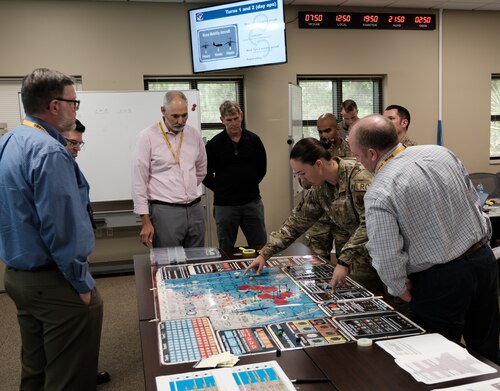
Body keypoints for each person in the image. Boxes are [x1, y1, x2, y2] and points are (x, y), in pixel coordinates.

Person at [349, 114, 500, 363]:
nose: (358, 162)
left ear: (373, 154)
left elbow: (386, 253)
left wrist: (400, 289)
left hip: (440, 280)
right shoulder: (441, 153)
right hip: (483, 261)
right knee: (487, 348)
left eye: (358, 156)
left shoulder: (380, 190)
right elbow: (474, 202)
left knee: (438, 360)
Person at [0, 68, 103, 391]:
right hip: (53, 278)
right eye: (74, 102)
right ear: (54, 105)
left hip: (17, 275)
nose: (76, 109)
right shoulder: (49, 151)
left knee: (36, 366)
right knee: (68, 374)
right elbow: (62, 228)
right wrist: (81, 284)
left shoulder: (9, 141)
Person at [245, 137, 383, 294]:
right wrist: (265, 254)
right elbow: (296, 222)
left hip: (384, 251)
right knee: (363, 296)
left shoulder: (359, 178)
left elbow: (370, 224)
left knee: (395, 303)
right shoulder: (319, 188)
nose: (301, 179)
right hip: (359, 254)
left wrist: (344, 262)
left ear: (319, 164)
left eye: (302, 173)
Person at [62, 119, 111, 385]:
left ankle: (83, 372)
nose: (77, 148)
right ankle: (80, 377)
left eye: (80, 143)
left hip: (77, 254)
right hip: (68, 261)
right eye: (72, 142)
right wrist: (79, 277)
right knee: (86, 311)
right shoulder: (54, 166)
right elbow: (60, 226)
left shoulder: (69, 164)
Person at [132, 90, 207, 248]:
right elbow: (139, 181)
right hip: (165, 211)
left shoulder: (193, 135)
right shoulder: (147, 137)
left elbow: (201, 169)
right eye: (175, 116)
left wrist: (184, 187)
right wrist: (145, 221)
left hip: (195, 209)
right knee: (170, 264)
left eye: (185, 115)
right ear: (163, 111)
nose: (181, 121)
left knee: (198, 262)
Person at [203, 100, 267, 248]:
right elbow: (205, 174)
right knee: (226, 248)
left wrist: (247, 185)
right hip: (225, 206)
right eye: (229, 120)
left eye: (236, 119)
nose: (233, 123)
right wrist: (221, 188)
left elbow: (262, 169)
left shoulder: (254, 140)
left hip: (252, 203)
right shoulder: (214, 145)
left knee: (260, 246)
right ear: (222, 120)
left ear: (241, 116)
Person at [302, 113, 355, 257]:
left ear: (337, 129)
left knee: (348, 262)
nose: (323, 135)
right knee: (316, 261)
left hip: (344, 217)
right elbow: (305, 184)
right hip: (320, 216)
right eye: (320, 131)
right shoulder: (313, 151)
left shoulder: (352, 149)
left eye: (327, 130)